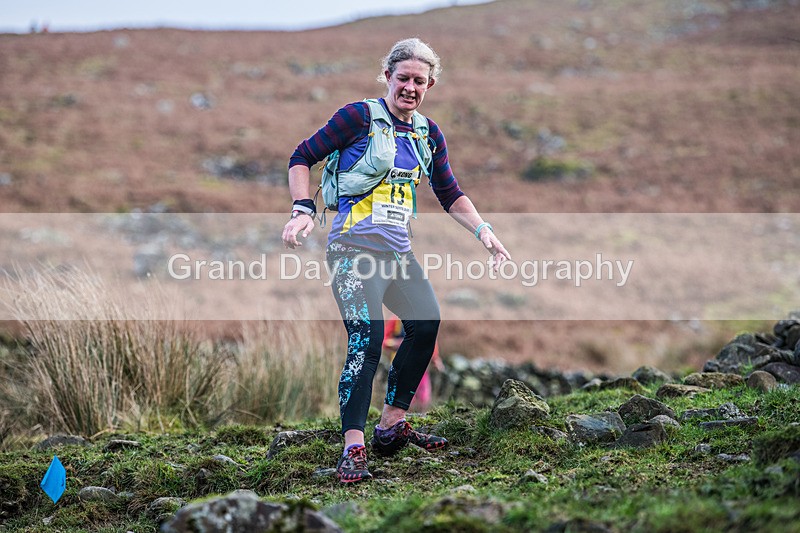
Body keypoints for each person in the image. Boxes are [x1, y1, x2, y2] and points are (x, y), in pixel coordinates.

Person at [281, 38, 510, 484]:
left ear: (430, 84)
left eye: (419, 81)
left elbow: (449, 193)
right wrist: (302, 210)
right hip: (352, 250)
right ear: (387, 76)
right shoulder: (357, 117)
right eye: (402, 78)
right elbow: (302, 156)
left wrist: (486, 233)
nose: (410, 87)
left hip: (397, 254)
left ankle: (390, 425)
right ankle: (353, 448)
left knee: (426, 324)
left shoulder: (428, 132)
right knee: (365, 341)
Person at [383, 314, 444, 411]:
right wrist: (395, 343)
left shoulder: (423, 320)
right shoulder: (395, 320)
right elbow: (384, 341)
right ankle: (403, 418)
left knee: (424, 396)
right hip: (400, 366)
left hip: (421, 365)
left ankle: (420, 418)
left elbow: (431, 341)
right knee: (404, 396)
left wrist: (436, 359)